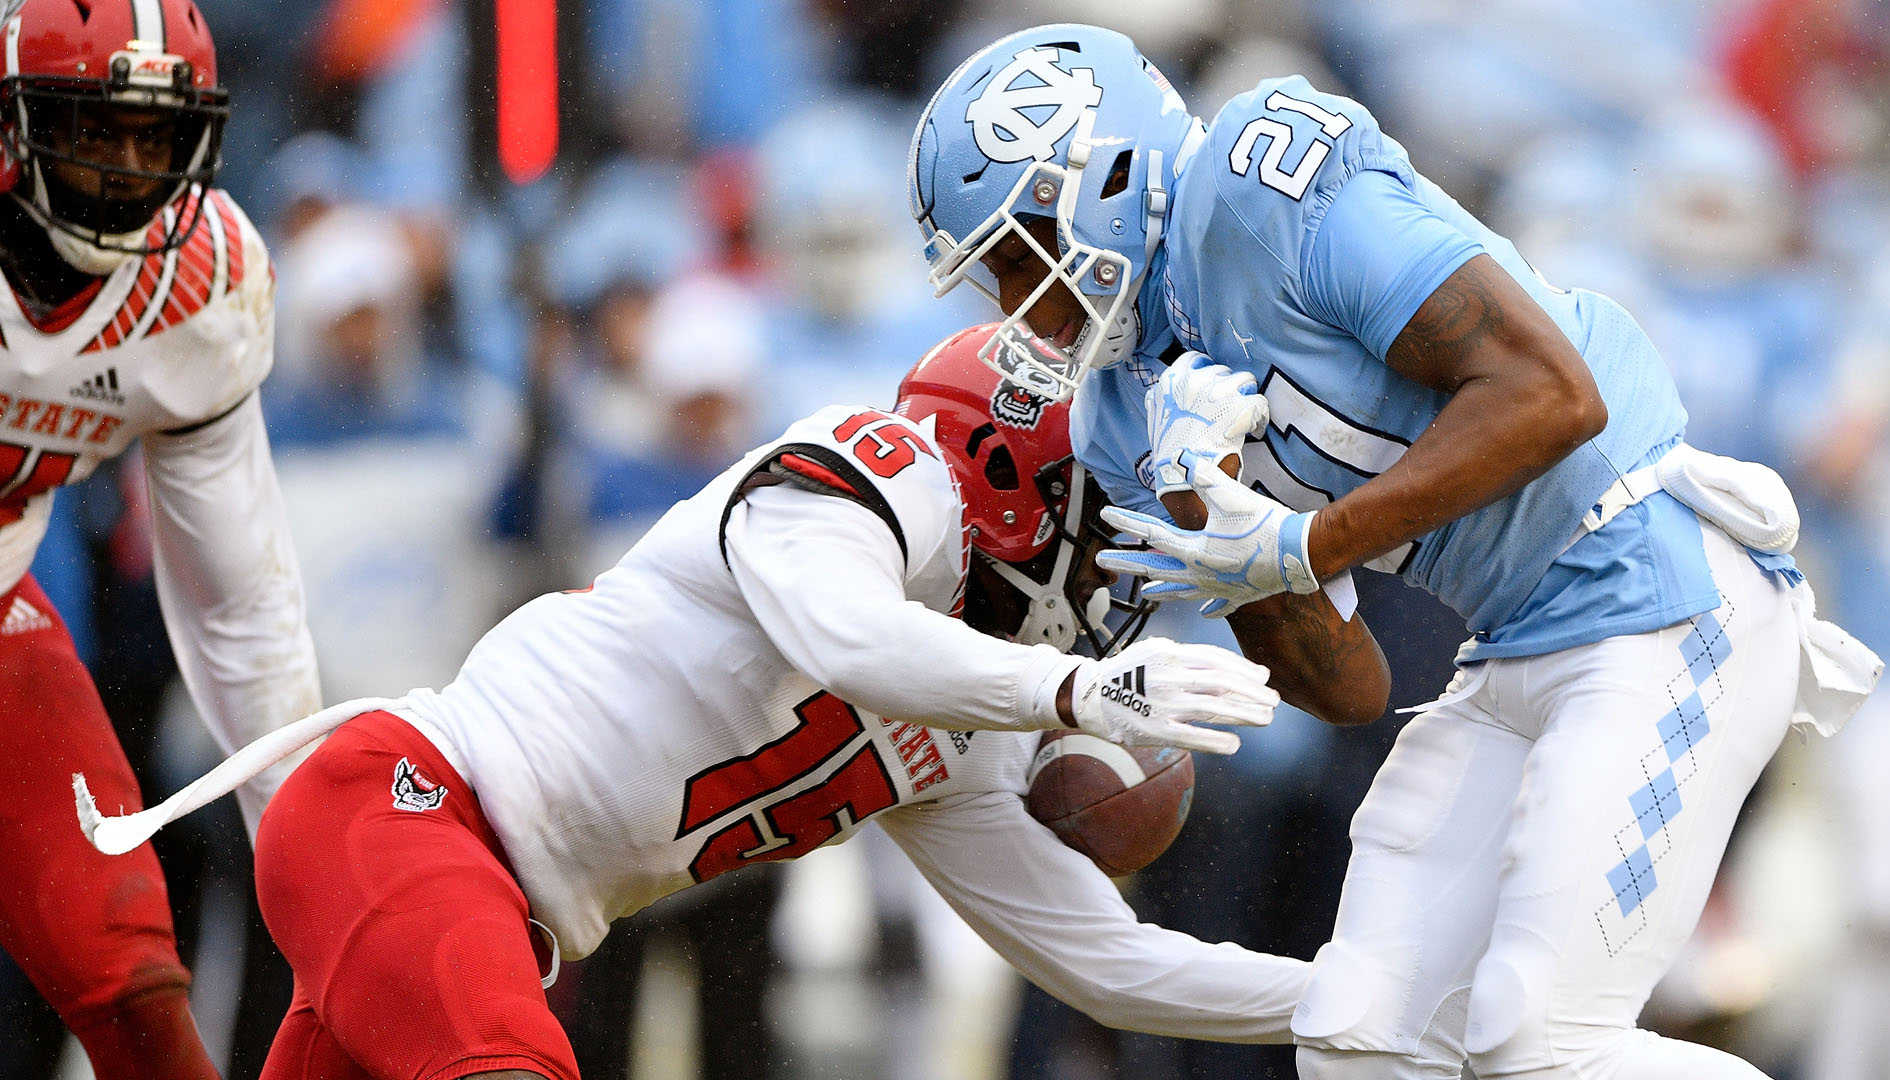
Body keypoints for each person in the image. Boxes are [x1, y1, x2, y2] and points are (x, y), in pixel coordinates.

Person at [908, 23, 1881, 1080]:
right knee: (1360, 1032)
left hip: (1655, 581)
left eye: (1017, 256)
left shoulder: (1258, 179)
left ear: (1100, 179)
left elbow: (1553, 395)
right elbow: (1348, 686)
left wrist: (1303, 540)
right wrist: (1206, 502)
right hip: (1506, 642)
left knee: (1538, 1037)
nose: (1015, 307)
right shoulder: (1118, 413)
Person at [76, 324, 1389, 1080]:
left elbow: (1105, 964)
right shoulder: (859, 484)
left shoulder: (969, 730)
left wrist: (1353, 998)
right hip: (409, 811)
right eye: (1099, 523)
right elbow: (854, 641)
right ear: (1007, 470)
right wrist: (1076, 687)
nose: (1112, 567)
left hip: (495, 910)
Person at [0, 0, 322, 1077]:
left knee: (128, 962)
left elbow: (241, 601)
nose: (128, 170)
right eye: (95, 131)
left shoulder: (198, 288)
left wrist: (307, 832)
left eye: (156, 136)